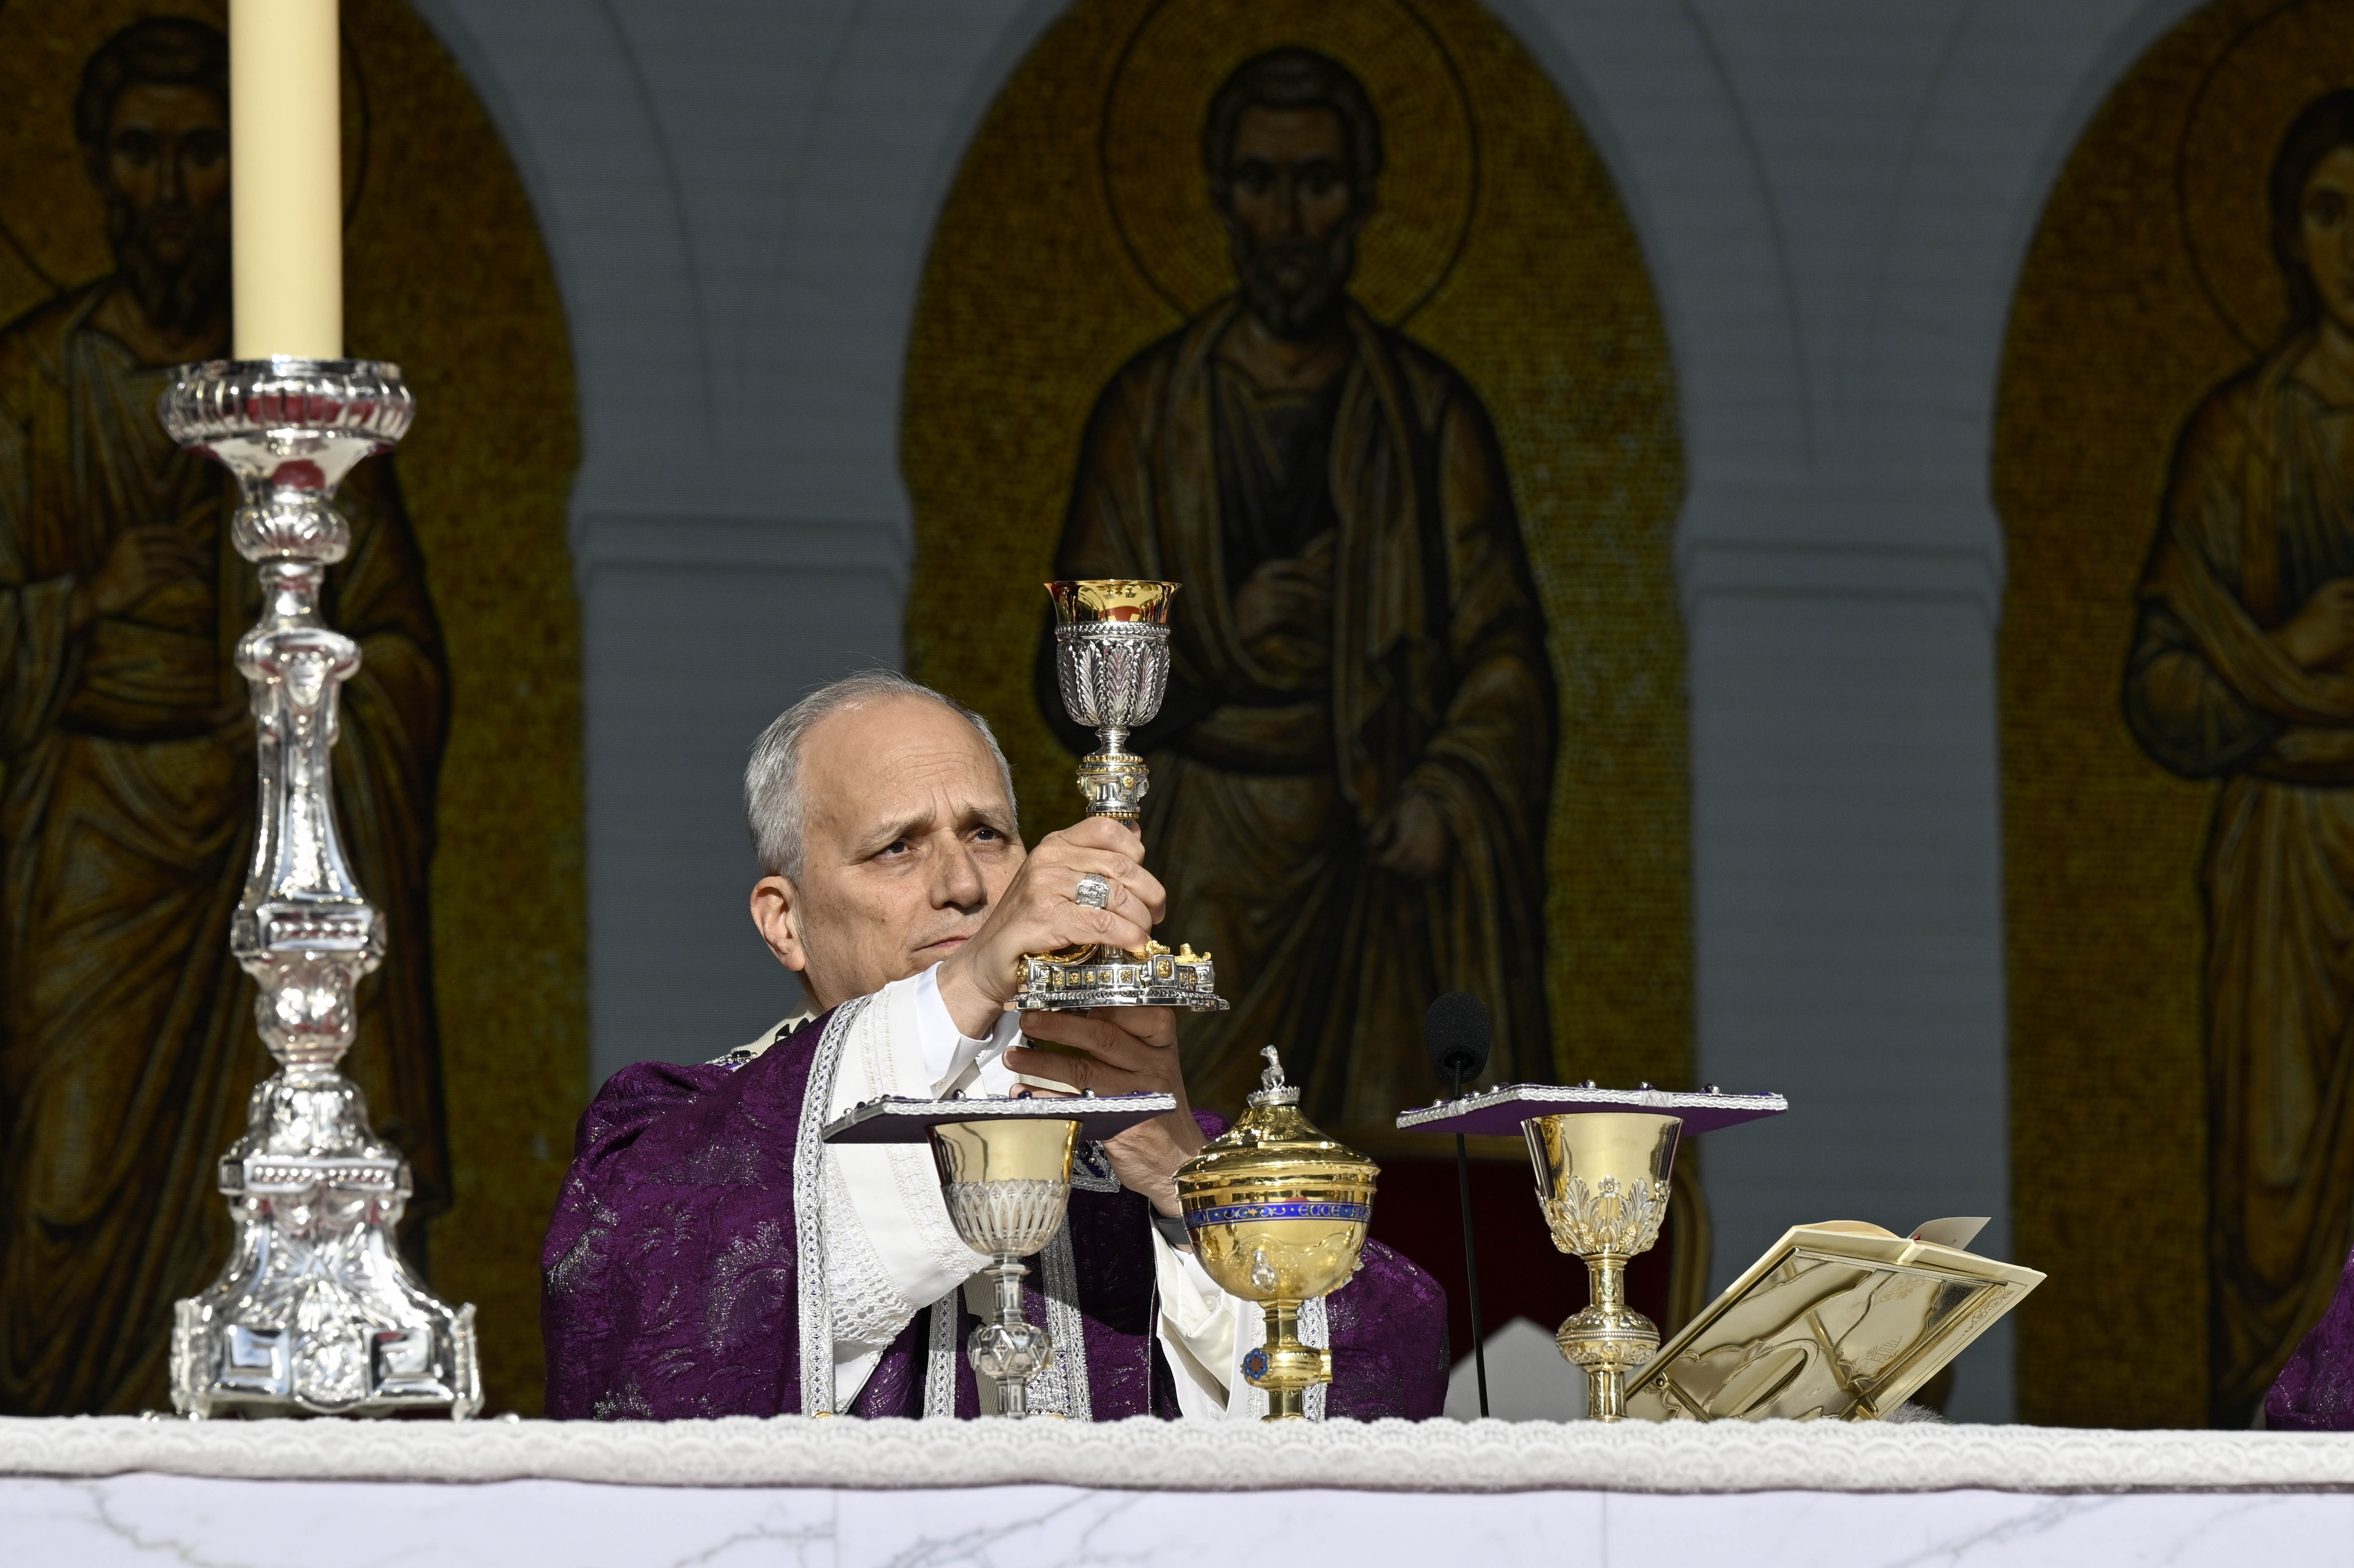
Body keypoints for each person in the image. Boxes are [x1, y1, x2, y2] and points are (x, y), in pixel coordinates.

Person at [541, 671, 1448, 1419]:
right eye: (898, 847)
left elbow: (1394, 1367)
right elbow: (627, 1326)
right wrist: (970, 982)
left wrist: (1185, 1185)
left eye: (988, 834)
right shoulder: (672, 1132)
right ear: (786, 923)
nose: (966, 885)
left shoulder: (1137, 1134)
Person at [0, 17, 447, 1416]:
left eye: (206, 151)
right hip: (87, 852)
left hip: (261, 828)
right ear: (94, 168)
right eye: (144, 152)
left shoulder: (308, 427)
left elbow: (407, 657)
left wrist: (310, 685)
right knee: (59, 1189)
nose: (175, 186)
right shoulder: (28, 387)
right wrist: (74, 615)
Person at [1039, 47, 1555, 1134]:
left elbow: (1506, 654)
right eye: (1261, 182)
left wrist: (1446, 791)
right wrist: (1223, 642)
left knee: (1383, 1166)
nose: (1288, 216)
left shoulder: (1426, 419)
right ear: (1223, 197)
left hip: (1375, 873)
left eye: (1317, 181)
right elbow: (1071, 665)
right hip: (1205, 859)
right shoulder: (1149, 414)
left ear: (1362, 199)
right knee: (1191, 1148)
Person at [2126, 89, 2354, 1427]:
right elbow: (2156, 683)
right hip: (2285, 857)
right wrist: (2286, 657)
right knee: (2276, 1200)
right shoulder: (2239, 434)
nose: (2353, 242)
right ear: (2283, 235)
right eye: (2328, 210)